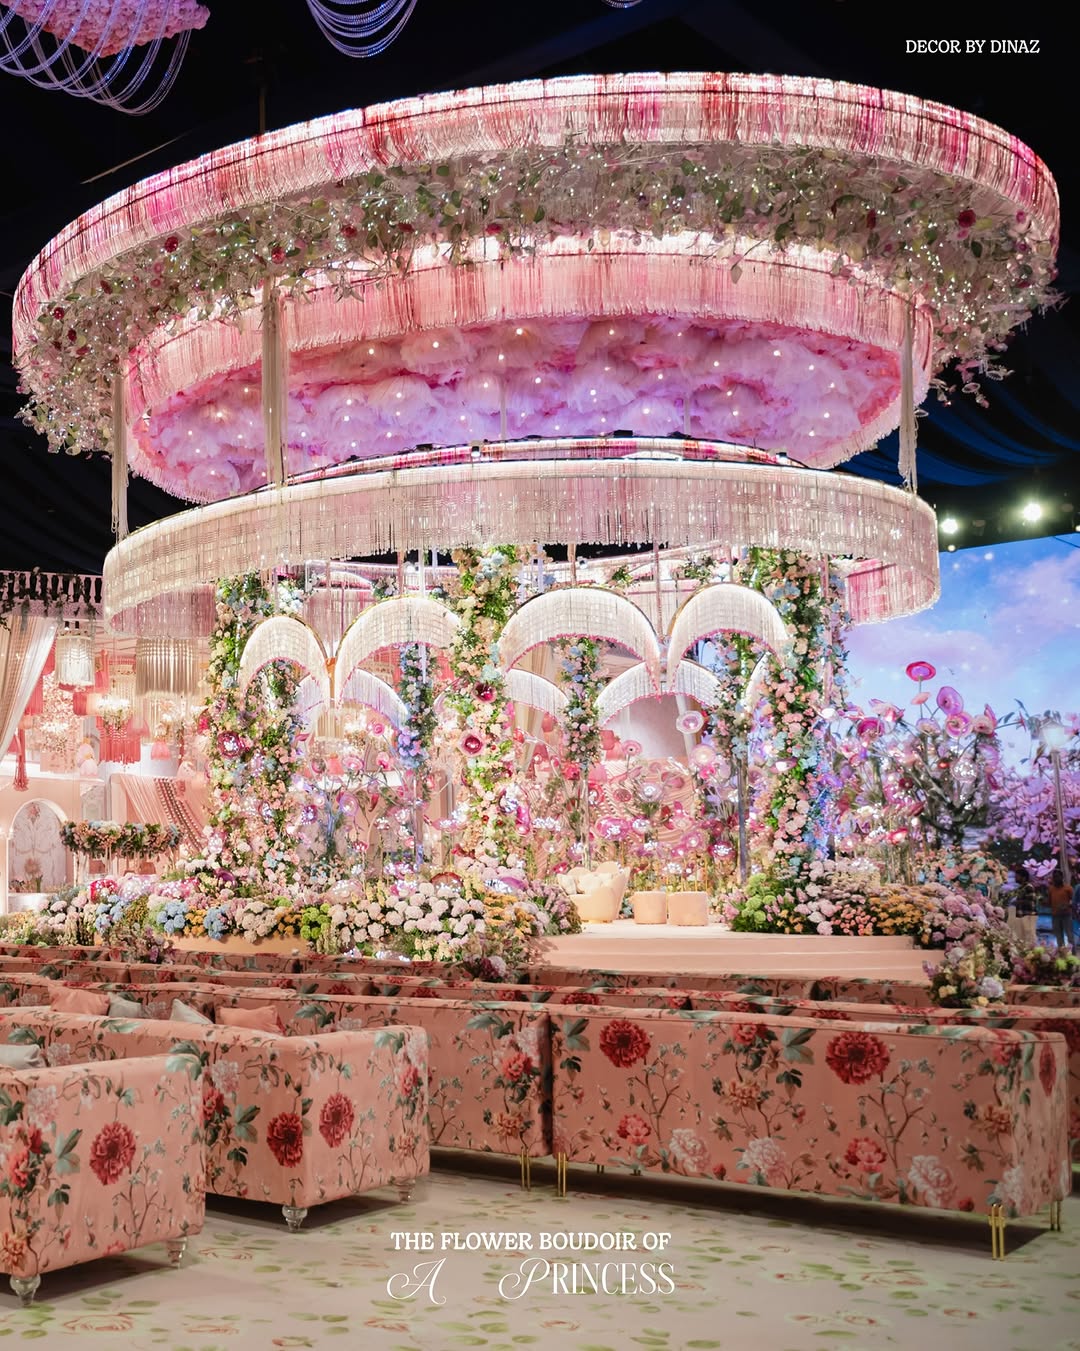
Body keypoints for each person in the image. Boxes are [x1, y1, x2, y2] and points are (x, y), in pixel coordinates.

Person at [1011, 866, 1039, 948]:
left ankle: (1033, 952)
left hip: (1028, 915)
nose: (1015, 878)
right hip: (1022, 916)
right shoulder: (1021, 888)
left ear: (1023, 877)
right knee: (1022, 938)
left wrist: (1017, 902)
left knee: (1030, 937)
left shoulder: (1028, 887)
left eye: (1017, 876)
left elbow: (1031, 901)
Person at [1048, 869, 1073, 949]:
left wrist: (1067, 905)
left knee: (1070, 935)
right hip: (1055, 915)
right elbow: (1049, 902)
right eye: (1054, 877)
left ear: (1062, 877)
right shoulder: (1051, 889)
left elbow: (1073, 901)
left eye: (1057, 876)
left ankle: (1072, 953)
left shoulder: (1068, 888)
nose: (1056, 878)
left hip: (1066, 915)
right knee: (1058, 936)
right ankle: (1062, 954)